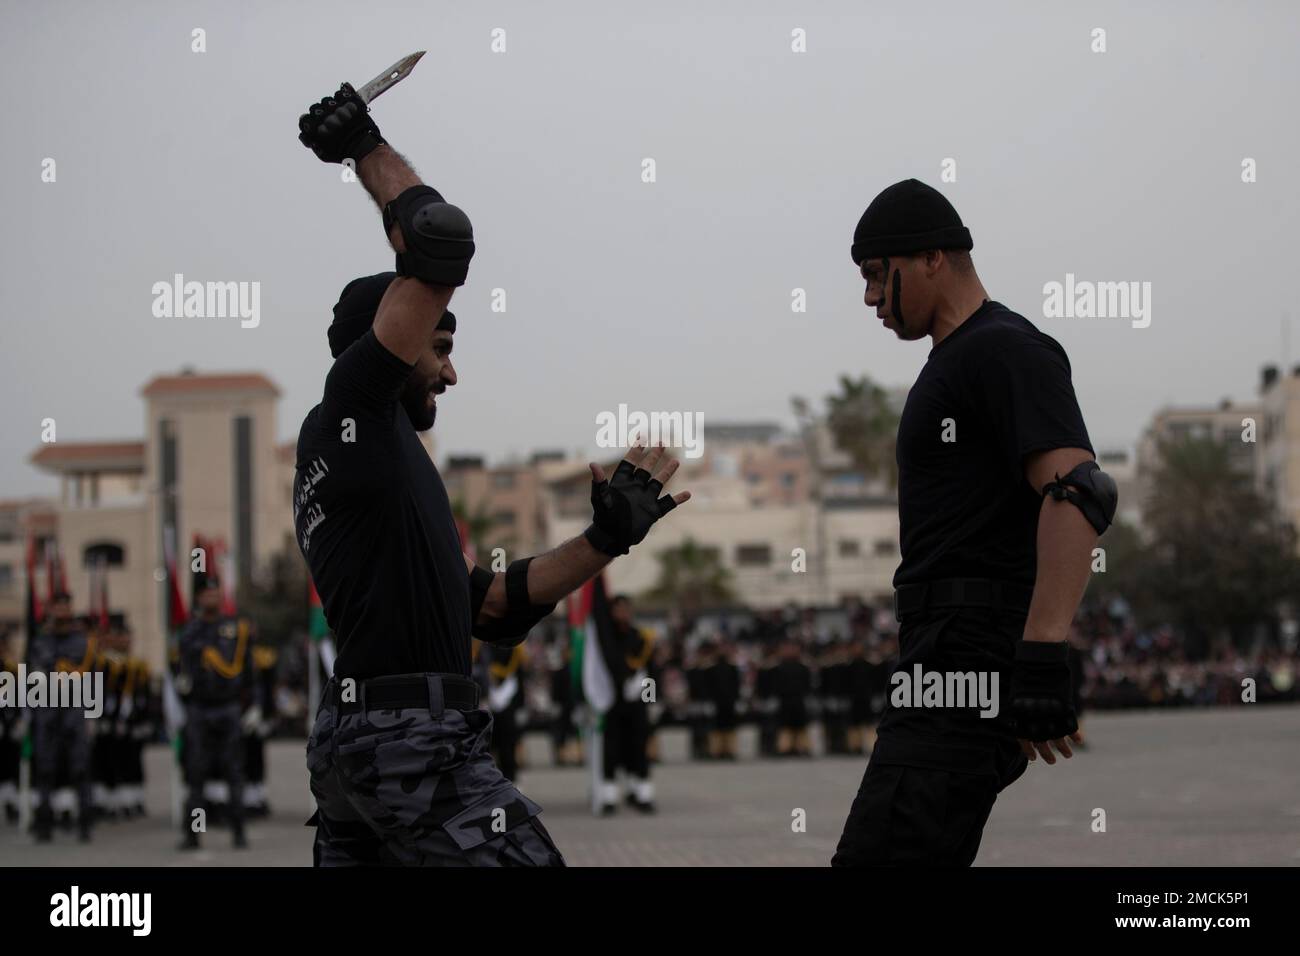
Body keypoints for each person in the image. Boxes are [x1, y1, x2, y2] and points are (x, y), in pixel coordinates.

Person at [294, 83, 690, 866]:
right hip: (411, 742)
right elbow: (440, 242)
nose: (449, 372)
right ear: (390, 341)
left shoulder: (374, 460)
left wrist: (606, 538)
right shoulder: (354, 409)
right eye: (438, 345)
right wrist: (365, 147)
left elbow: (492, 607)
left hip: (361, 743)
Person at [832, 179, 1117, 866]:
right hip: (938, 652)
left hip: (965, 654)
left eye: (877, 274)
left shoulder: (1003, 348)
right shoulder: (958, 359)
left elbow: (1079, 491)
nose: (869, 296)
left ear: (933, 258)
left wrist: (1043, 652)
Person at [177, 579, 252, 850]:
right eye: (206, 593)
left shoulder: (236, 629)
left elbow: (248, 670)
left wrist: (252, 706)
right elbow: (180, 672)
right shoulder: (189, 632)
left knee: (234, 771)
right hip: (199, 708)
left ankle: (239, 832)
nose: (211, 597)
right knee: (196, 773)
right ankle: (193, 833)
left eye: (215, 592)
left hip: (229, 707)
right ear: (198, 598)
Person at [27, 591, 95, 842]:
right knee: (45, 769)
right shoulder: (40, 642)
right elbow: (31, 680)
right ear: (51, 609)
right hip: (47, 711)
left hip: (74, 711)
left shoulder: (83, 642)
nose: (62, 611)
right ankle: (44, 824)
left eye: (66, 606)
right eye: (58, 606)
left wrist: (92, 716)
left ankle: (85, 824)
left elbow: (92, 679)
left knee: (80, 769)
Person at [597, 595, 655, 814]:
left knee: (638, 748)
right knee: (611, 750)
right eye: (618, 609)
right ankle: (609, 797)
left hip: (637, 704)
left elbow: (651, 673)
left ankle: (642, 794)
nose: (622, 613)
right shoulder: (606, 640)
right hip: (612, 703)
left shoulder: (641, 638)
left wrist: (650, 701)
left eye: (625, 609)